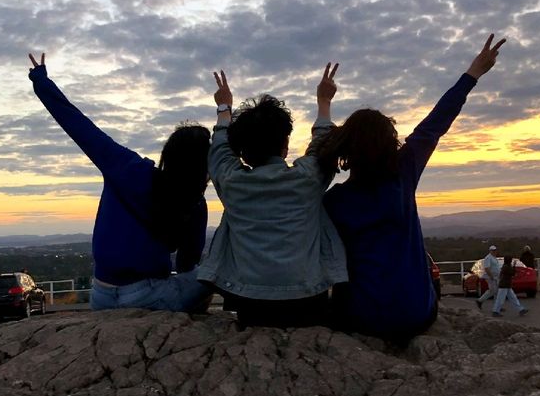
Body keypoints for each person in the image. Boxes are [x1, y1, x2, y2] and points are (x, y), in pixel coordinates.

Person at [318, 34, 506, 342]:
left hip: (360, 319)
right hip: (416, 315)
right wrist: (473, 73)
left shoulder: (334, 201)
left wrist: (323, 105)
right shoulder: (402, 174)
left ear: (346, 150)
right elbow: (435, 123)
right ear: (389, 143)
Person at [27, 53, 212, 312]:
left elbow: (79, 126)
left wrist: (41, 80)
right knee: (210, 276)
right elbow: (186, 265)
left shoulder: (125, 167)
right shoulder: (193, 202)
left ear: (168, 153)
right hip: (149, 296)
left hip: (101, 295)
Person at [198, 65, 348, 327]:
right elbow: (323, 143)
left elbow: (220, 149)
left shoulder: (233, 183)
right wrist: (324, 101)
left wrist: (224, 108)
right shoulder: (308, 179)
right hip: (308, 296)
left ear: (242, 152)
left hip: (249, 298)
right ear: (285, 145)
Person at [476, 245, 501, 310]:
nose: (494, 251)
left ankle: (497, 306)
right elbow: (487, 268)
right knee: (493, 290)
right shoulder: (488, 258)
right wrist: (491, 276)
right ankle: (480, 301)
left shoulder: (494, 258)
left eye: (495, 250)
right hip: (490, 277)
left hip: (495, 277)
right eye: (493, 250)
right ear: (490, 251)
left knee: (496, 291)